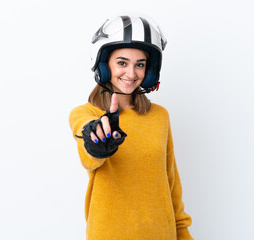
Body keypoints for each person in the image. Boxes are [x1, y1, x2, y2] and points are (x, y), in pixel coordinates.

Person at [69, 14, 194, 240]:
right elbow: (87, 156)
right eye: (122, 62)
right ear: (104, 64)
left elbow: (171, 183)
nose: (131, 73)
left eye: (140, 65)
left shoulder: (159, 117)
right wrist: (97, 141)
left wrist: (183, 234)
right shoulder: (86, 114)